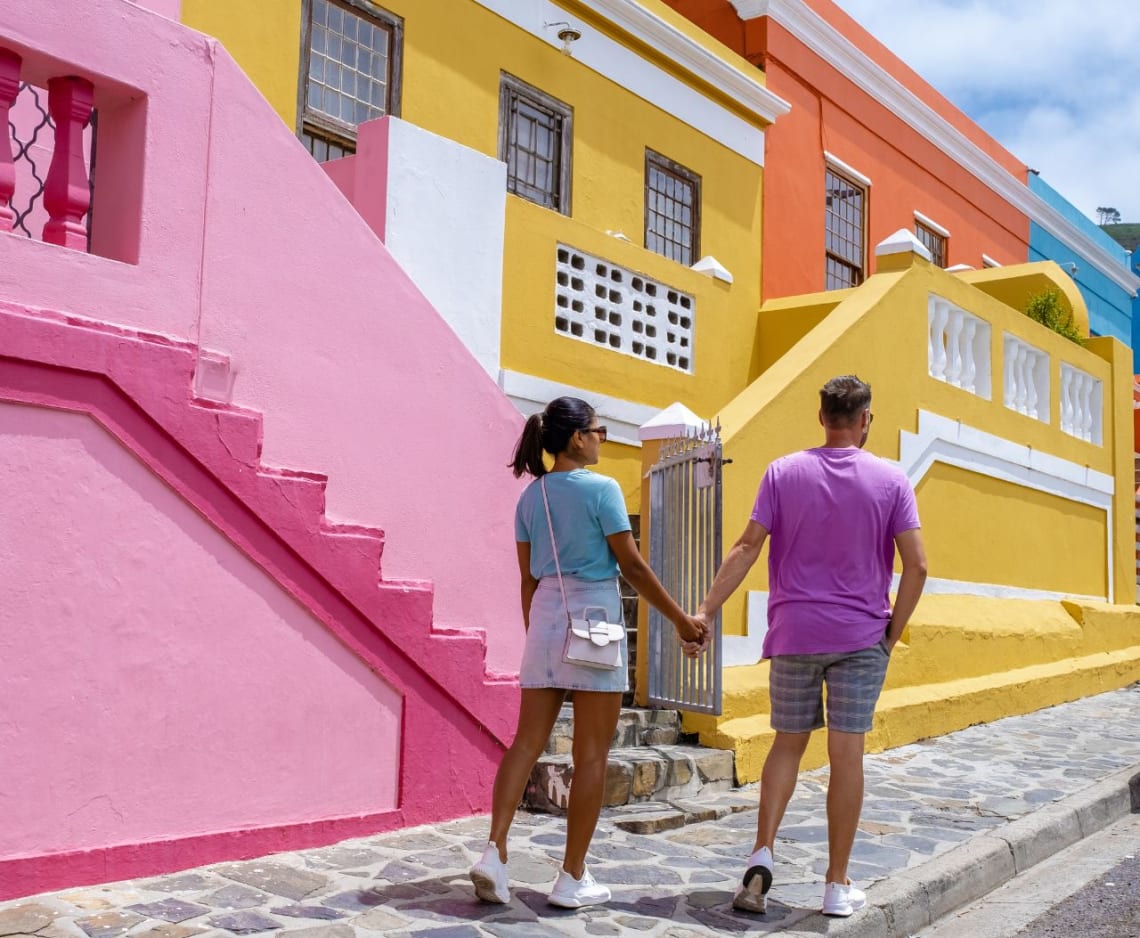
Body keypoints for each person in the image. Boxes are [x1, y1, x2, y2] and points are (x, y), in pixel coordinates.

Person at [692, 375, 927, 919]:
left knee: (786, 745)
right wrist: (892, 633)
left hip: (795, 631)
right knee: (847, 756)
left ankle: (762, 852)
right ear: (865, 418)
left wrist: (706, 611)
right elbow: (916, 565)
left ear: (821, 416)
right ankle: (836, 884)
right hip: (860, 636)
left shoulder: (783, 471)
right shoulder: (891, 478)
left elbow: (747, 546)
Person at [469, 397, 709, 910]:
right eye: (598, 430)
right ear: (578, 437)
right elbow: (634, 568)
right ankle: (571, 876)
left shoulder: (531, 499)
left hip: (547, 616)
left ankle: (494, 851)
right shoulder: (602, 489)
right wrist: (683, 621)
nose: (603, 438)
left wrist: (539, 634)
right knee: (591, 754)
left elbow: (527, 579)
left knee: (526, 742)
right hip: (595, 620)